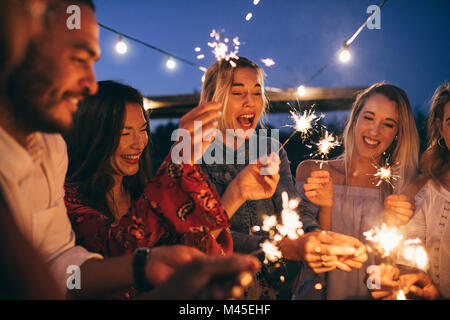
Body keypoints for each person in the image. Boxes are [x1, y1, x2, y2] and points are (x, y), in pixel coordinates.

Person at [0, 0, 260, 299]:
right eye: (77, 59)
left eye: (143, 131)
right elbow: (118, 243)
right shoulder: (73, 196)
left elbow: (60, 264)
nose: (89, 84)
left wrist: (148, 267)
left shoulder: (50, 148)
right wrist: (179, 163)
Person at [197, 57, 366, 299]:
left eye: (257, 92)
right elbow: (207, 237)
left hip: (275, 289)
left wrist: (315, 237)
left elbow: (294, 209)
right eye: (237, 93)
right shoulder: (194, 155)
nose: (250, 102)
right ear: (213, 100)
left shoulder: (271, 149)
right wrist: (286, 248)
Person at [294, 82, 420, 299]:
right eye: (369, 117)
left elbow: (387, 270)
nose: (374, 131)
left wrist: (392, 224)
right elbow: (302, 257)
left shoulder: (399, 190)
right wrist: (325, 208)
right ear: (355, 118)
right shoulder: (312, 171)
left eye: (388, 124)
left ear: (397, 134)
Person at [369, 83, 450, 300]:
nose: (374, 131)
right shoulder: (421, 191)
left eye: (388, 123)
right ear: (440, 127)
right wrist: (413, 279)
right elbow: (396, 263)